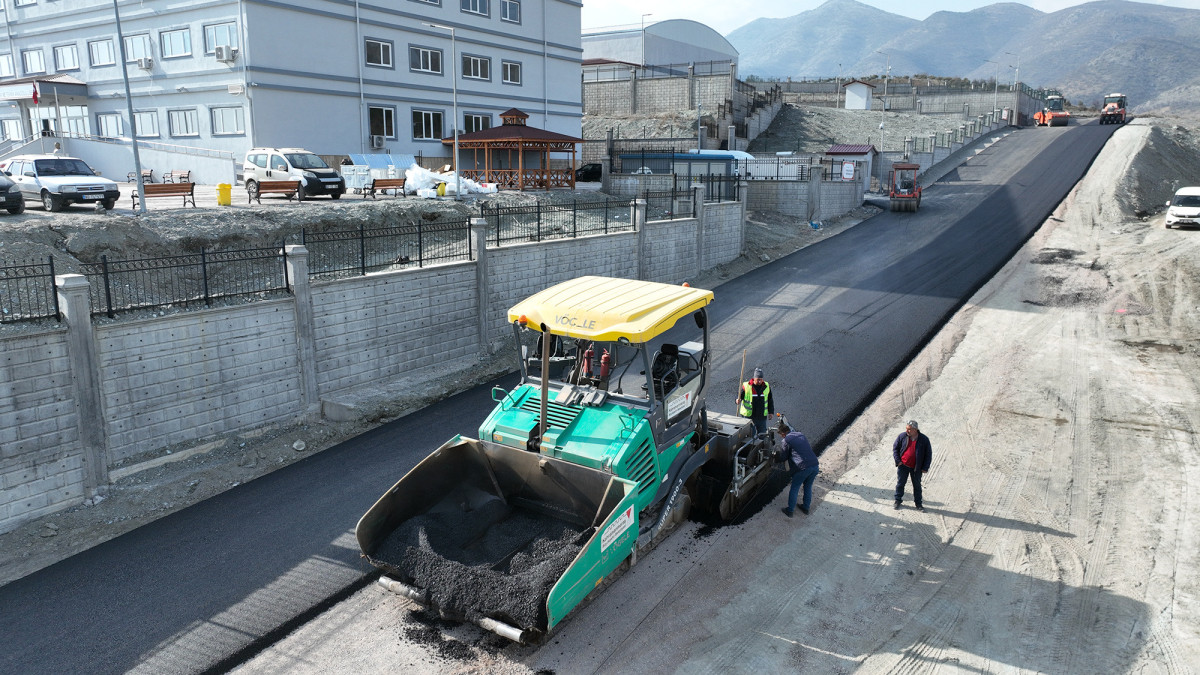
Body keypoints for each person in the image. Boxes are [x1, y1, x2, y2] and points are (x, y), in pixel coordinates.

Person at [779, 422, 819, 517]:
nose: (782, 437)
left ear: (783, 434)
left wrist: (777, 457)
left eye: (781, 435)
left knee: (795, 487)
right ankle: (805, 508)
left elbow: (784, 457)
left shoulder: (786, 440)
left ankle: (790, 510)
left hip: (803, 468)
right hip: (815, 464)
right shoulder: (800, 434)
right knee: (808, 486)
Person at [892, 420, 932, 511]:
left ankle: (918, 504)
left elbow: (928, 454)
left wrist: (925, 467)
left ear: (915, 430)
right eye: (907, 429)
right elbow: (895, 449)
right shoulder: (902, 436)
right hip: (903, 466)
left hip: (916, 469)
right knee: (900, 484)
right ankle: (897, 500)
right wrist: (898, 461)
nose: (907, 431)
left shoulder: (924, 439)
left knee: (917, 486)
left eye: (909, 429)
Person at [737, 367, 774, 435]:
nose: (759, 381)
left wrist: (771, 412)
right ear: (754, 378)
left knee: (762, 435)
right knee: (751, 436)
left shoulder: (766, 386)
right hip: (749, 417)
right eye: (758, 380)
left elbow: (770, 400)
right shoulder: (746, 386)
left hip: (761, 417)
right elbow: (739, 397)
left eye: (761, 379)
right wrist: (737, 400)